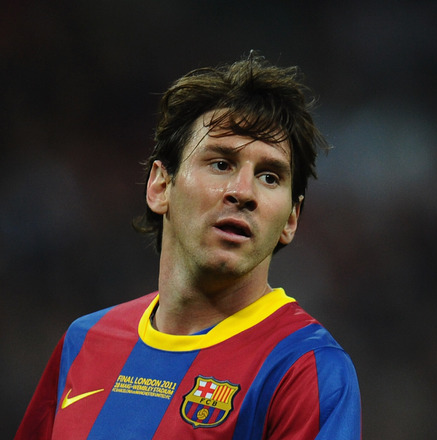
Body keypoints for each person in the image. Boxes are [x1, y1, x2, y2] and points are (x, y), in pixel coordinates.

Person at [15, 52, 362, 439]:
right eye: (221, 164)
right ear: (160, 185)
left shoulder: (304, 368)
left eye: (269, 176)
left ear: (291, 219)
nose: (243, 192)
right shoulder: (83, 342)